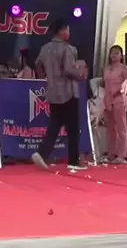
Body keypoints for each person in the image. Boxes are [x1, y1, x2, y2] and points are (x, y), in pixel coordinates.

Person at [31, 18, 88, 171]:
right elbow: (69, 69)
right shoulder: (67, 49)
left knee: (54, 125)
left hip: (53, 91)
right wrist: (80, 74)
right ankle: (73, 161)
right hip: (69, 92)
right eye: (67, 29)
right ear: (61, 31)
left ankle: (42, 153)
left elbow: (37, 65)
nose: (69, 32)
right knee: (73, 128)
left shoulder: (45, 48)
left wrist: (46, 78)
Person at [100, 45, 127, 164]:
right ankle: (111, 154)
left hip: (119, 99)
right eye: (112, 53)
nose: (114, 55)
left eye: (117, 53)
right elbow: (104, 83)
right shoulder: (106, 69)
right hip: (108, 100)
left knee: (121, 127)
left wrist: (119, 91)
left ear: (121, 55)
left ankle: (122, 155)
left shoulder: (124, 69)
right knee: (110, 129)